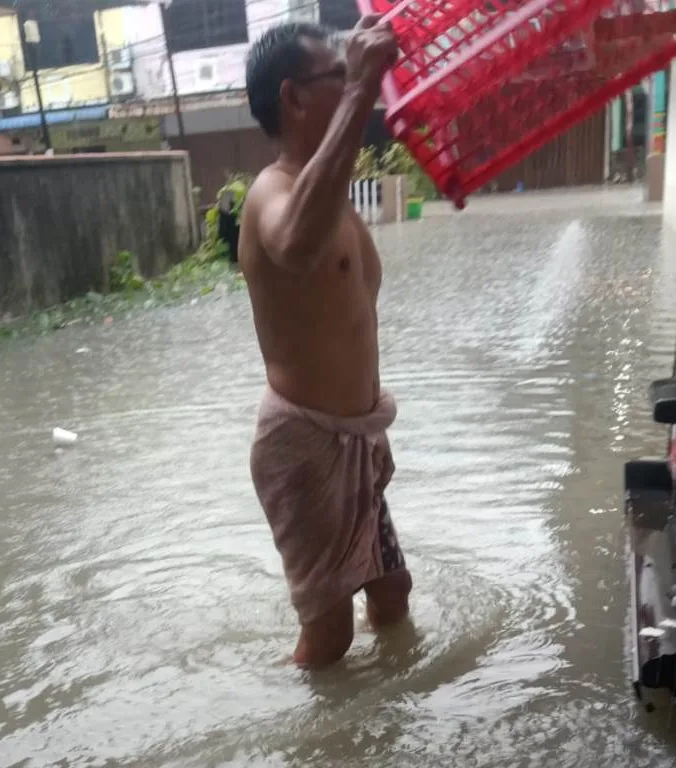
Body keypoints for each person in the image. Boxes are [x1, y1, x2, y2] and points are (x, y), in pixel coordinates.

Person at [239, 18, 413, 668]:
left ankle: (384, 722)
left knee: (392, 593)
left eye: (350, 77)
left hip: (355, 442)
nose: (350, 89)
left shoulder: (330, 190)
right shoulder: (271, 192)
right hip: (304, 449)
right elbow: (296, 244)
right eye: (336, 78)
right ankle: (304, 740)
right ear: (293, 98)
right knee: (330, 640)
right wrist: (364, 86)